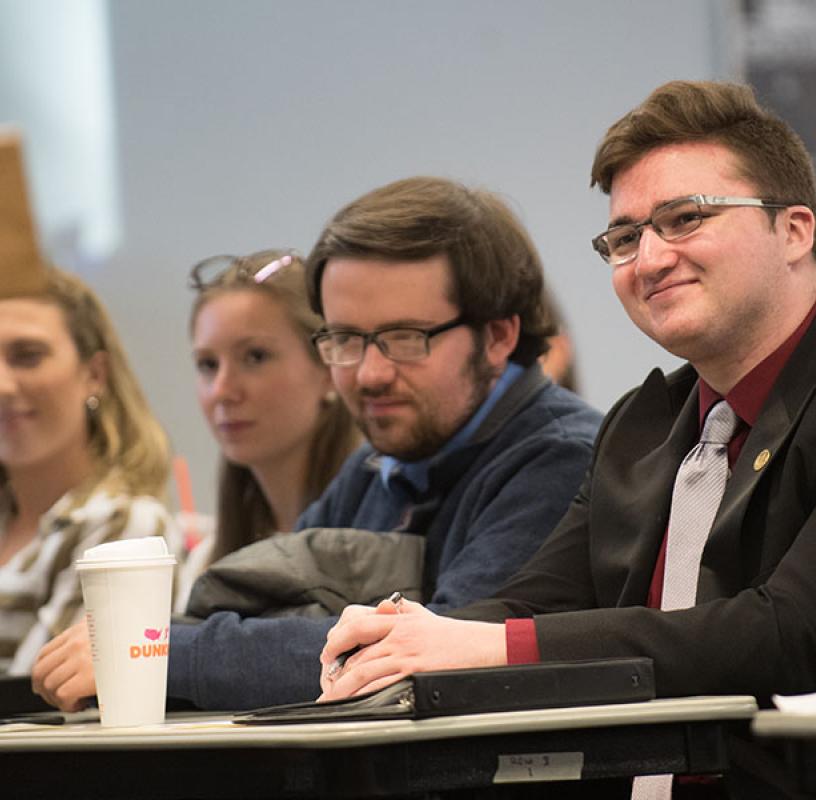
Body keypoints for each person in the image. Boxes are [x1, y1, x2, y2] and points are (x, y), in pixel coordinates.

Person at [318, 82, 816, 794]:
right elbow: (532, 607)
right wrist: (402, 641)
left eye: (685, 218)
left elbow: (788, 637)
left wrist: (475, 645)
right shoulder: (645, 423)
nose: (650, 258)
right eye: (625, 238)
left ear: (794, 230)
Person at [31, 177, 602, 710]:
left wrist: (153, 653)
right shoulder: (382, 462)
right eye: (346, 339)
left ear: (498, 335)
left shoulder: (560, 459)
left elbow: (421, 660)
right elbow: (256, 605)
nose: (369, 373)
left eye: (405, 338)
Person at [0, 267, 178, 675]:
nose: (3, 385)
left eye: (27, 356)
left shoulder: (124, 523)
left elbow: (36, 694)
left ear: (94, 374)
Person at [177, 249, 360, 597]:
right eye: (207, 364)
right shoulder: (208, 559)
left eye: (255, 357)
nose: (222, 391)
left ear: (327, 369)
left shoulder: (382, 537)